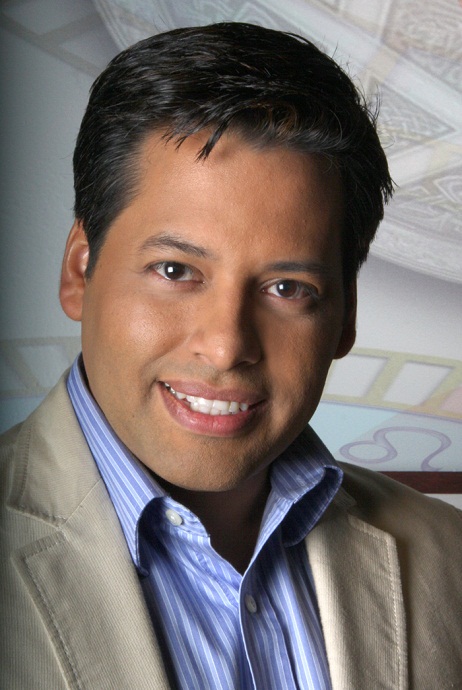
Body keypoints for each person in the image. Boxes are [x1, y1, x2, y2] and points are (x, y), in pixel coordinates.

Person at [0, 22, 460, 690]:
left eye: (287, 288)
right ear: (80, 271)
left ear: (345, 317)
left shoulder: (446, 558)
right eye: (175, 271)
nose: (226, 345)